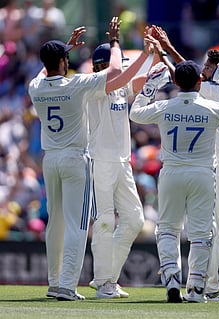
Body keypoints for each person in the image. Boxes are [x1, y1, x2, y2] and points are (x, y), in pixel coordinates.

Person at [28, 17, 153, 301]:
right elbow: (117, 70)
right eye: (66, 57)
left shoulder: (35, 88)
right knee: (77, 224)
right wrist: (114, 42)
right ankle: (68, 286)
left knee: (55, 223)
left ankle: (54, 281)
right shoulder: (76, 85)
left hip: (50, 160)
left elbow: (41, 73)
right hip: (75, 159)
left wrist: (63, 49)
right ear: (62, 61)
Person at [129, 60, 219, 303]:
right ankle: (195, 288)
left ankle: (172, 277)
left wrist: (150, 86)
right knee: (202, 234)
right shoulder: (210, 107)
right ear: (200, 82)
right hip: (202, 174)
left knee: (168, 229)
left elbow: (135, 113)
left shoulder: (165, 106)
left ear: (175, 82)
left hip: (171, 172)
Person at [153, 27, 219, 301]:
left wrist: (165, 51)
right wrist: (168, 49)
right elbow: (188, 75)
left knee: (205, 227)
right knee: (205, 226)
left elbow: (186, 77)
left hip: (214, 162)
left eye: (209, 65)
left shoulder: (207, 90)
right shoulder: (218, 87)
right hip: (216, 161)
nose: (204, 69)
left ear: (217, 70)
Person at [86, 29, 165, 298]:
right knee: (105, 221)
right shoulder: (93, 85)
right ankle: (104, 281)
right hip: (100, 161)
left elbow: (147, 79)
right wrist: (143, 53)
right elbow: (125, 76)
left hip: (122, 162)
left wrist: (156, 52)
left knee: (134, 220)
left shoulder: (120, 88)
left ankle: (106, 278)